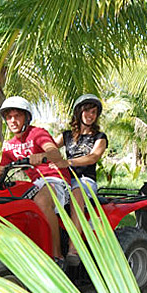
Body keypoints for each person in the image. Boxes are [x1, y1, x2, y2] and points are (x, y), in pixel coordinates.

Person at [0, 96, 70, 268]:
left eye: (17, 116)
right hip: (36, 184)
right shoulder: (9, 145)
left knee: (41, 201)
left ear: (26, 117)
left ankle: (57, 256)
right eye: (8, 117)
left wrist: (42, 156)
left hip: (56, 180)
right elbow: (0, 176)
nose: (12, 120)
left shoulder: (37, 133)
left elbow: (56, 154)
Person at [54, 94, 108, 265]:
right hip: (65, 180)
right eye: (87, 111)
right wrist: (35, 156)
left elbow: (93, 157)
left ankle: (73, 249)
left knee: (77, 192)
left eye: (94, 112)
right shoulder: (67, 135)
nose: (90, 115)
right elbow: (49, 148)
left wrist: (67, 162)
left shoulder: (99, 137)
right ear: (79, 112)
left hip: (85, 180)